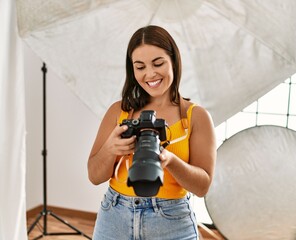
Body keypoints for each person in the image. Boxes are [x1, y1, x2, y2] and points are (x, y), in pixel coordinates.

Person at [87, 25, 216, 240]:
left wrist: (170, 160)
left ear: (173, 61)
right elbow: (94, 176)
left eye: (158, 63)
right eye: (140, 66)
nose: (150, 74)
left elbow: (202, 187)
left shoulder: (195, 117)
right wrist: (111, 149)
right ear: (132, 70)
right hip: (115, 215)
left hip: (171, 221)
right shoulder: (119, 112)